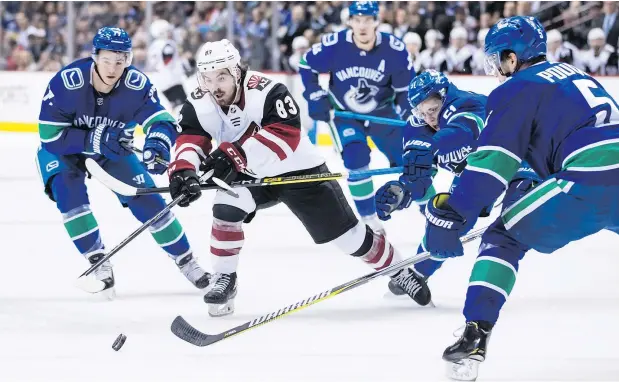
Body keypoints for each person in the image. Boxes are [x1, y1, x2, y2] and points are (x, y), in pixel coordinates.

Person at [166, 39, 431, 317]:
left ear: (236, 72)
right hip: (248, 174)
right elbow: (191, 137)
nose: (214, 85)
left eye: (221, 76)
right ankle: (225, 279)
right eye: (207, 78)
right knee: (225, 207)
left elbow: (285, 135)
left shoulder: (267, 91)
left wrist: (233, 156)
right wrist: (184, 169)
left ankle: (399, 269)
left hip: (298, 171)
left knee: (350, 238)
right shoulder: (200, 100)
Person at [418, 16, 619, 379]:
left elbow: (491, 169)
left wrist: (454, 213)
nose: (497, 69)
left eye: (498, 59)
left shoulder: (515, 89)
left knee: (503, 236)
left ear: (513, 58)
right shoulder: (575, 73)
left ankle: (475, 335)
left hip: (587, 179)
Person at [35, 27, 210, 298]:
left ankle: (187, 261)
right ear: (95, 57)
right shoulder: (66, 83)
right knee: (69, 195)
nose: (113, 67)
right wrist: (92, 140)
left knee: (150, 203)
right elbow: (50, 137)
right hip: (64, 150)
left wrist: (158, 143)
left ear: (128, 59)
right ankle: (97, 261)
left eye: (120, 60)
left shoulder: (135, 85)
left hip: (113, 149)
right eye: (107, 60)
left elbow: (162, 121)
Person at [374, 70, 540, 297]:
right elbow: (418, 178)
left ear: (445, 96)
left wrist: (433, 147)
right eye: (422, 113)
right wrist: (402, 190)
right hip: (476, 172)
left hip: (519, 161)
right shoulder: (417, 126)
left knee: (517, 218)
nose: (429, 119)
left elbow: (464, 131)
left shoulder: (471, 104)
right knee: (445, 223)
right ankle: (418, 273)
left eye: (432, 110)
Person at [298, 1, 415, 235]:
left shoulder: (395, 49)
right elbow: (306, 64)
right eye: (357, 20)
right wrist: (315, 95)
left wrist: (410, 119)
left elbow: (404, 93)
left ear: (376, 21)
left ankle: (426, 208)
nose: (362, 26)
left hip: (383, 113)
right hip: (345, 115)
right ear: (349, 21)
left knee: (412, 160)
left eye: (368, 20)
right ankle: (369, 219)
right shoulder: (334, 44)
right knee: (355, 157)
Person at [146, 19, 191, 112]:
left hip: (161, 80)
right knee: (182, 107)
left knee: (174, 106)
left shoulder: (154, 45)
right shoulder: (167, 44)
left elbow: (153, 65)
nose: (170, 33)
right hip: (172, 79)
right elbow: (168, 63)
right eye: (167, 31)